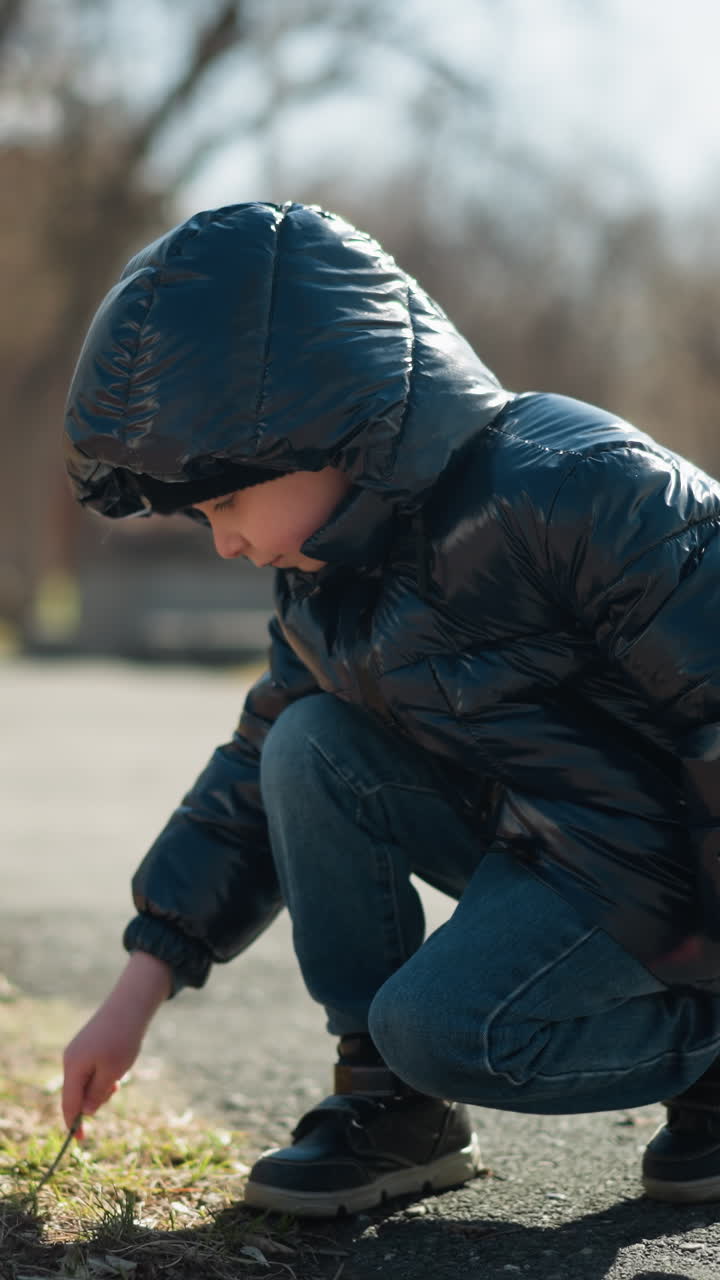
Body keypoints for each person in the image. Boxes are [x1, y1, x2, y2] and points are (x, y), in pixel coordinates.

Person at [61, 200, 720, 1217]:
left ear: (327, 430)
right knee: (305, 738)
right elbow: (249, 775)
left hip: (670, 877)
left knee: (446, 1027)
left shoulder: (574, 487)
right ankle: (390, 1110)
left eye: (226, 506)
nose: (225, 543)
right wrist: (134, 993)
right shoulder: (322, 571)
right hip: (541, 846)